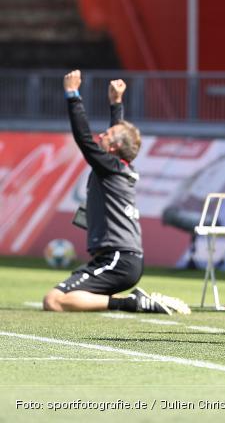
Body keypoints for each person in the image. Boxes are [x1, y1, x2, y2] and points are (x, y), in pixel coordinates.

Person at [43, 71, 190, 315]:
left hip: (117, 259)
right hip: (121, 259)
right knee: (62, 299)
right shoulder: (118, 166)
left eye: (107, 136)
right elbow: (116, 136)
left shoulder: (110, 167)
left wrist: (73, 96)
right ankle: (129, 301)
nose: (101, 135)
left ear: (113, 148)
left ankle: (130, 303)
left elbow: (84, 140)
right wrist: (116, 104)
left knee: (54, 301)